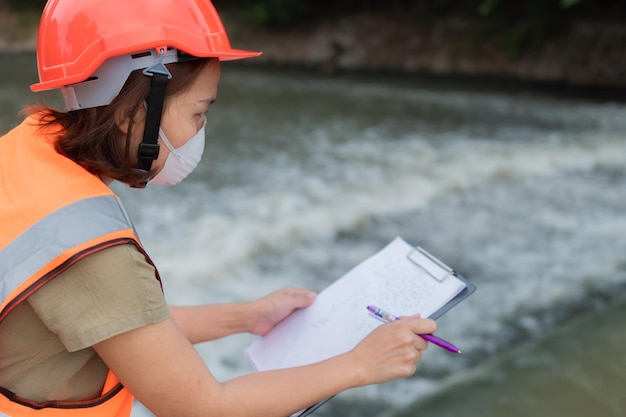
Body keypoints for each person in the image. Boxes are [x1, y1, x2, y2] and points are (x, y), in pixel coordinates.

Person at [0, 0, 437, 416]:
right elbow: (206, 407)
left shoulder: (27, 155)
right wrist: (359, 364)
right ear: (132, 113)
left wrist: (245, 317)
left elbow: (115, 324)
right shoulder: (86, 247)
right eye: (198, 112)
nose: (202, 129)